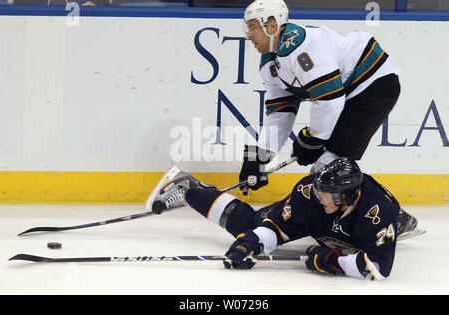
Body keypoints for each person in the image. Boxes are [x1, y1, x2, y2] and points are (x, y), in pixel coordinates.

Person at [150, 158, 420, 280]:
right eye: (318, 188)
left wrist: (332, 262)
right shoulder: (309, 194)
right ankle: (190, 189)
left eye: (325, 193)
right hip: (326, 222)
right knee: (249, 225)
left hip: (372, 223)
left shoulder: (375, 214)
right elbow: (276, 227)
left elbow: (378, 268)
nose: (317, 195)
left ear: (344, 196)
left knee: (363, 243)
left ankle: (400, 221)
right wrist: (252, 242)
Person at [238, 0, 401, 195]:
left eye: (253, 27)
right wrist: (261, 154)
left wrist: (313, 139)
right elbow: (281, 110)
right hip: (352, 91)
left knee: (329, 170)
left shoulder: (301, 45)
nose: (248, 35)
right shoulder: (269, 64)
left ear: (272, 25)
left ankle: (386, 213)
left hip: (374, 83)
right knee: (329, 171)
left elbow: (329, 98)